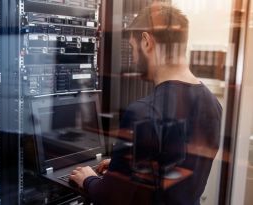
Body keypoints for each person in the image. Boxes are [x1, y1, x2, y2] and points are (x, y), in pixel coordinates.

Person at [69, 2, 222, 205]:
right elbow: (172, 168)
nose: (133, 58)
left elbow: (112, 198)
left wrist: (88, 179)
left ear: (146, 41)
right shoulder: (213, 104)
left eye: (132, 48)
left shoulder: (143, 112)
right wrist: (121, 168)